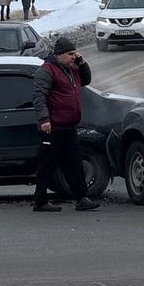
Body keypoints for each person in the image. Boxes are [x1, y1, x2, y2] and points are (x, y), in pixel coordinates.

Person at [32, 37, 100, 212]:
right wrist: (44, 119)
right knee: (47, 165)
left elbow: (86, 80)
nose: (73, 57)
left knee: (75, 164)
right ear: (59, 55)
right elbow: (39, 97)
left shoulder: (73, 69)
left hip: (69, 128)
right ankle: (40, 201)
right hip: (53, 128)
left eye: (74, 54)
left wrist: (82, 63)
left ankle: (82, 198)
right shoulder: (47, 70)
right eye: (70, 54)